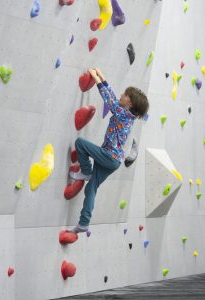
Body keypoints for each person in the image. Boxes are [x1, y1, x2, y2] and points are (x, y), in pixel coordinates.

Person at [69, 68, 149, 233]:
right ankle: (84, 223)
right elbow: (112, 95)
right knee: (91, 188)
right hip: (113, 161)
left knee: (80, 143)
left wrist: (96, 78)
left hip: (108, 156)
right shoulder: (127, 114)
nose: (121, 95)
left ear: (131, 103)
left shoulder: (122, 114)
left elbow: (109, 99)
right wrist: (101, 75)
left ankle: (86, 171)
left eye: (125, 95)